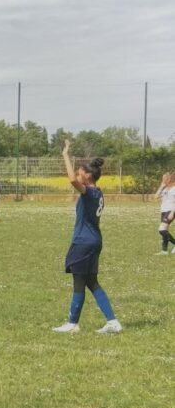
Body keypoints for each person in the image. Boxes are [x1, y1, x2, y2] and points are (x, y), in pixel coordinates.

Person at [53, 143, 122, 333]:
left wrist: (65, 154)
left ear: (88, 176)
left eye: (80, 172)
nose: (77, 174)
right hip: (94, 241)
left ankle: (72, 323)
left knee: (79, 282)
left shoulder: (89, 192)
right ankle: (112, 322)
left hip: (83, 242)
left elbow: (72, 181)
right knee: (92, 282)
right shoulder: (98, 192)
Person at [154, 172, 175, 254]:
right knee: (165, 230)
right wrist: (161, 186)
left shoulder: (174, 189)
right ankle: (164, 250)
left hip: (170, 210)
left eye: (165, 178)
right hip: (163, 210)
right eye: (163, 179)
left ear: (169, 179)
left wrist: (172, 212)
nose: (163, 180)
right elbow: (156, 197)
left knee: (161, 230)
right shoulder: (165, 188)